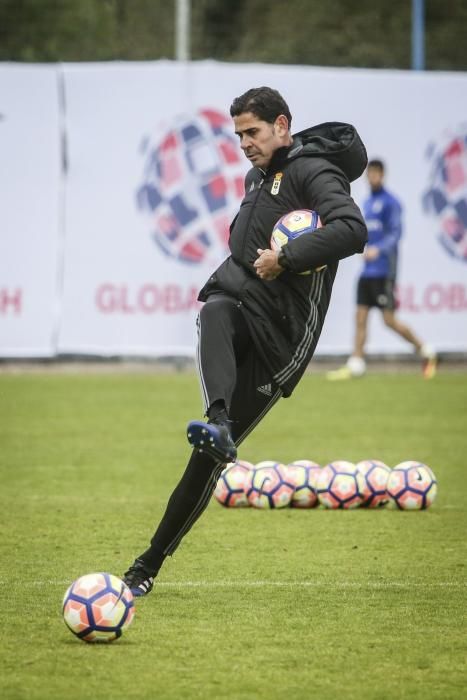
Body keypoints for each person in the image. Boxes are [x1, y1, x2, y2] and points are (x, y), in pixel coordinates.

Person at [123, 86, 368, 597]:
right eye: (238, 136)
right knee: (214, 309)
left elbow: (351, 230)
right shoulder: (260, 177)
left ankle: (148, 563)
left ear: (282, 125)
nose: (244, 144)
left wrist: (288, 257)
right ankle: (216, 423)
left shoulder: (313, 170)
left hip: (281, 341)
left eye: (252, 132)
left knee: (204, 465)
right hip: (243, 312)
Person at [327, 159, 437, 381]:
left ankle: (426, 351)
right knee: (360, 316)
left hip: (383, 271)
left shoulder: (391, 203)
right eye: (370, 174)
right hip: (367, 271)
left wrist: (378, 249)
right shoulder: (366, 203)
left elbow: (396, 234)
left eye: (377, 174)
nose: (373, 177)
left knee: (389, 320)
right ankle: (356, 363)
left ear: (383, 175)